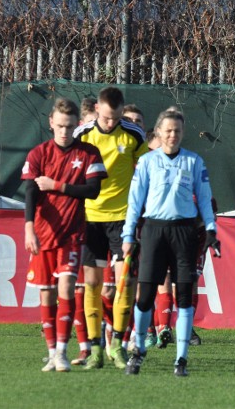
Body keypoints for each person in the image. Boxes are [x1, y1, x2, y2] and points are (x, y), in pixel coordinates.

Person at [121, 109, 219, 377]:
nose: (173, 135)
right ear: (159, 132)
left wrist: (211, 229)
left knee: (184, 298)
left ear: (182, 133)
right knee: (145, 297)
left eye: (177, 131)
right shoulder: (147, 162)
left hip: (184, 233)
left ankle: (181, 359)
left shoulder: (194, 162)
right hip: (154, 231)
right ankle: (138, 352)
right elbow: (134, 202)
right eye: (168, 130)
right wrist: (128, 235)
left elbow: (205, 196)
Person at [22, 99, 107, 371]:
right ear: (51, 123)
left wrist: (56, 185)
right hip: (43, 234)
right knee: (46, 295)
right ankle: (51, 351)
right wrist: (28, 227)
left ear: (77, 125)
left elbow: (92, 191)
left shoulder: (89, 153)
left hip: (72, 234)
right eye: (59, 126)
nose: (64, 131)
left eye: (69, 126)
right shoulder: (39, 153)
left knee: (67, 288)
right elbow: (31, 192)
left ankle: (61, 351)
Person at [74, 87, 147, 369]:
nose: (109, 123)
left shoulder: (132, 134)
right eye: (105, 117)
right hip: (90, 218)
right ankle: (94, 349)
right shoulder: (82, 133)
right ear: (96, 111)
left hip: (122, 220)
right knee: (91, 284)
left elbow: (146, 167)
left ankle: (117, 344)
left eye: (114, 118)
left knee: (125, 283)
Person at [70, 97, 100, 365]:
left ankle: (112, 342)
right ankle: (85, 346)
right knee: (78, 287)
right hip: (79, 225)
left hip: (109, 222)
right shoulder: (75, 153)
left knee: (109, 289)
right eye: (93, 123)